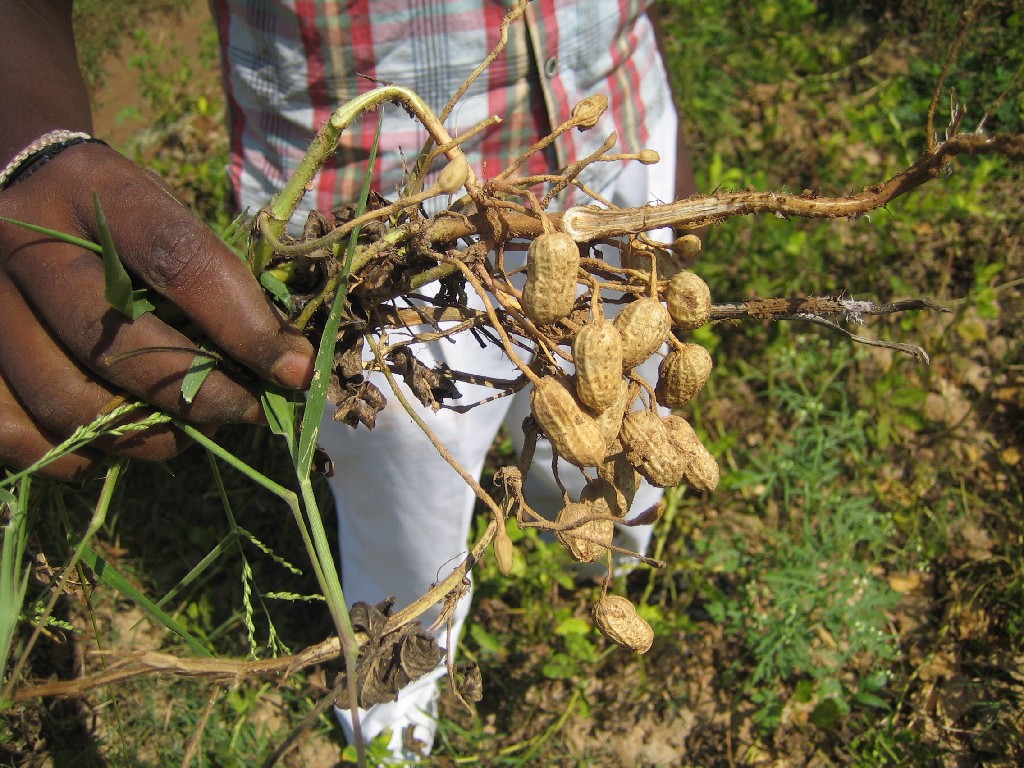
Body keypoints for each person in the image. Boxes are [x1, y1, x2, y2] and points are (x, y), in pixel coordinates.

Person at [1, 0, 697, 761]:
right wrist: (24, 147)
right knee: (404, 487)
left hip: (612, 159)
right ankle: (400, 694)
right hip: (377, 239)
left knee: (625, 415)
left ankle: (610, 553)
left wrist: (652, 91)